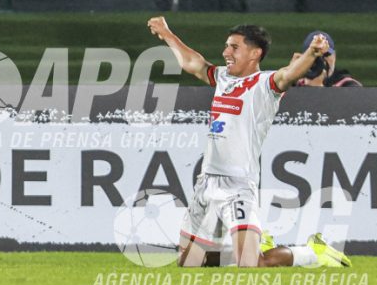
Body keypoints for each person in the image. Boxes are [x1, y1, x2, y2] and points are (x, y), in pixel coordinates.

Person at [147, 17, 351, 268]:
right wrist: (166, 33)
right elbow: (193, 62)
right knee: (189, 261)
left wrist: (312, 53)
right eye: (226, 46)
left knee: (253, 264)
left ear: (255, 53)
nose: (226, 52)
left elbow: (289, 74)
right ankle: (252, 246)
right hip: (206, 183)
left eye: (234, 47)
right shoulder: (222, 77)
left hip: (238, 185)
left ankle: (312, 253)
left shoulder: (265, 84)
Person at [294, 31, 362, 87]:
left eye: (326, 54)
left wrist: (317, 89)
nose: (321, 60)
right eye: (315, 54)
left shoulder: (348, 85)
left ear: (334, 56)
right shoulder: (293, 82)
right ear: (303, 58)